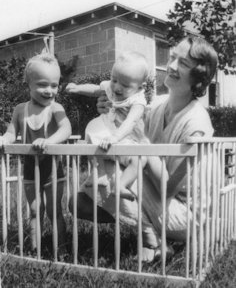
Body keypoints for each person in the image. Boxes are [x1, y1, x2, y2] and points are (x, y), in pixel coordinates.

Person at [69, 36, 218, 262]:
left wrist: (144, 147)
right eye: (172, 57)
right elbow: (129, 129)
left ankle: (154, 239)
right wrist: (109, 110)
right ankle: (153, 234)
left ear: (199, 76)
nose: (171, 66)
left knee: (108, 174)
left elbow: (167, 187)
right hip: (158, 195)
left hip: (185, 212)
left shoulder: (196, 121)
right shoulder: (158, 104)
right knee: (79, 201)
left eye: (183, 63)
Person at [0, 52, 72, 253]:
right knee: (34, 210)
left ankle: (62, 250)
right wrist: (4, 140)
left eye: (54, 85)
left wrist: (49, 141)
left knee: (54, 210)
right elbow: (11, 133)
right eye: (42, 84)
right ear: (28, 85)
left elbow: (66, 129)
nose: (49, 90)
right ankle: (35, 250)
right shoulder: (19, 110)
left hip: (52, 169)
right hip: (31, 169)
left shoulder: (56, 108)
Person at [65, 51, 149, 200]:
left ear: (140, 87)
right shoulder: (111, 87)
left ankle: (121, 185)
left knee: (140, 159)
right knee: (92, 131)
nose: (117, 87)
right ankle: (99, 173)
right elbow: (95, 89)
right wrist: (77, 88)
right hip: (106, 134)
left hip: (126, 139)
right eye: (114, 80)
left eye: (125, 85)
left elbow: (131, 122)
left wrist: (115, 137)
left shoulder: (138, 101)